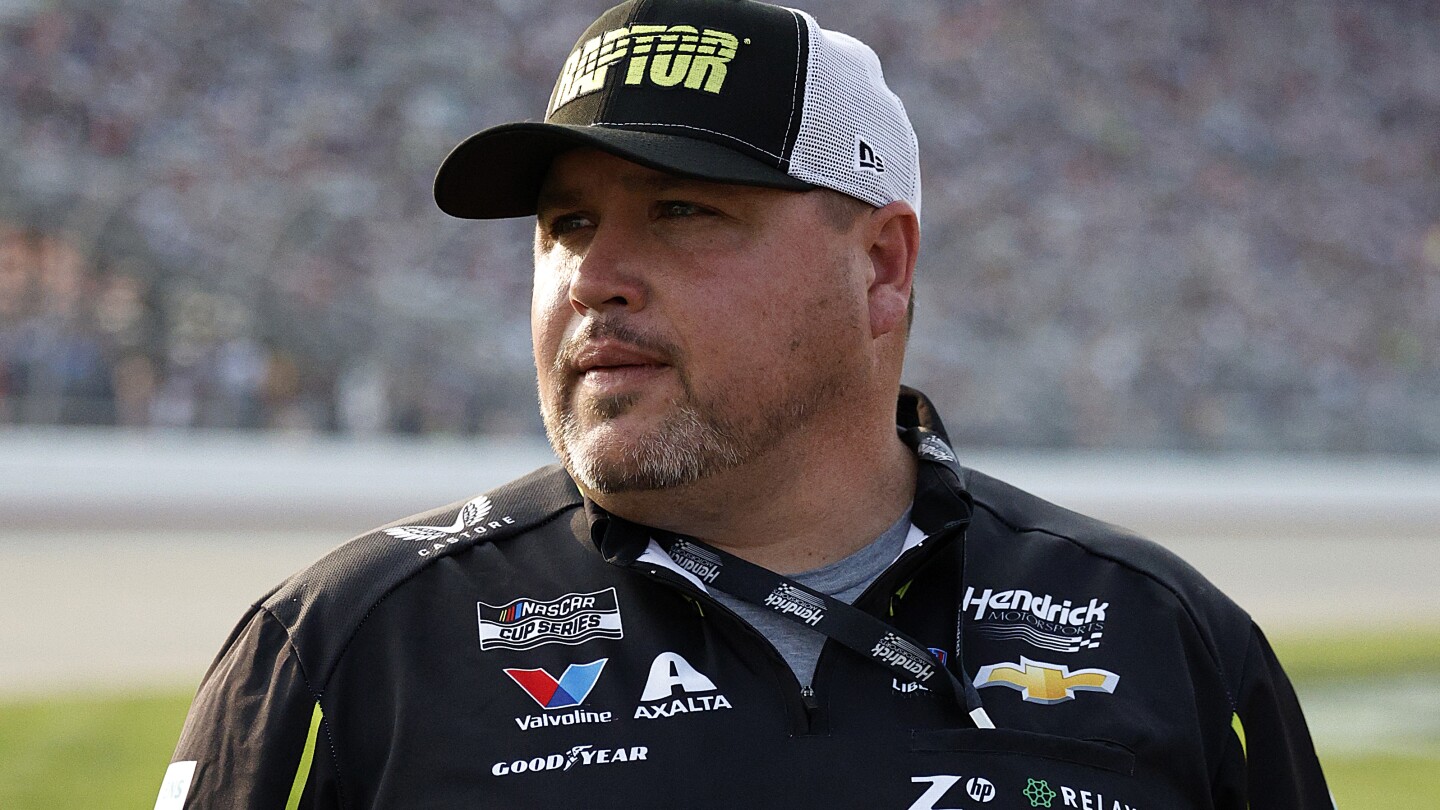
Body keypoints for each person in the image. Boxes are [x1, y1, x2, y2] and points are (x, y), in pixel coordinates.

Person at [158, 1, 1332, 807]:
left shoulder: (1168, 642)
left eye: (680, 210)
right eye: (567, 223)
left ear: (881, 267)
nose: (591, 276)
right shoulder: (347, 650)